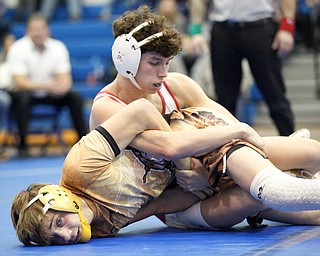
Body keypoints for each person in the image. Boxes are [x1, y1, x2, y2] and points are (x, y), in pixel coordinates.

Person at [90, 5, 320, 230]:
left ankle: (281, 179)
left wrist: (240, 138)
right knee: (260, 197)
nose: (163, 72)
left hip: (217, 165)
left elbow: (226, 121)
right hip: (179, 201)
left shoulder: (175, 85)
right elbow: (168, 147)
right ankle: (278, 185)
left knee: (313, 151)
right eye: (155, 62)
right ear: (125, 60)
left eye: (167, 62)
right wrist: (239, 132)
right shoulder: (107, 108)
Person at [10, 99, 320, 246]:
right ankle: (273, 190)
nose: (68, 234)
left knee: (312, 155)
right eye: (57, 238)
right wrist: (198, 189)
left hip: (194, 143)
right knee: (274, 202)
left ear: (59, 196)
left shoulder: (81, 167)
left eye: (60, 223)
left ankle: (277, 174)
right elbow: (156, 205)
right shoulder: (100, 227)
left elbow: (144, 110)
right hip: (187, 194)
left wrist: (184, 162)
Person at [187, 0, 296, 136]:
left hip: (260, 28)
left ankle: (292, 142)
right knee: (225, 98)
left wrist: (287, 27)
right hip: (223, 30)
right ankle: (225, 148)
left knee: (275, 93)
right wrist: (195, 30)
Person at [7, 13, 88, 157]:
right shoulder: (17, 48)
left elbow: (65, 77)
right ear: (27, 31)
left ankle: (83, 143)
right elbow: (19, 82)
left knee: (74, 97)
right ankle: (23, 145)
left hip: (51, 93)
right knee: (22, 98)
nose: (38, 32)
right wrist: (46, 85)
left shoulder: (58, 47)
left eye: (41, 28)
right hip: (26, 94)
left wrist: (63, 86)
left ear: (48, 30)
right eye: (34, 29)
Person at [0, 32, 16, 156]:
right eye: (7, 43)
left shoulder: (18, 61)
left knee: (5, 101)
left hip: (11, 92)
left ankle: (3, 140)